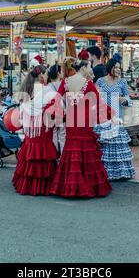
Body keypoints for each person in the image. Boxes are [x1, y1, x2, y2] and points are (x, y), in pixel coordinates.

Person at [47, 59, 112, 198]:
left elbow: (57, 101)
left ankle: (70, 187)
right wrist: (111, 115)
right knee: (86, 150)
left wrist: (59, 116)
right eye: (90, 67)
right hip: (85, 122)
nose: (91, 71)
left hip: (71, 122)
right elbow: (99, 103)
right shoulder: (88, 84)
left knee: (71, 149)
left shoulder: (65, 82)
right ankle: (86, 186)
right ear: (83, 68)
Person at [12, 65, 58, 196]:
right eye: (46, 73)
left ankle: (27, 185)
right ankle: (42, 186)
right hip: (43, 128)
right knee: (43, 154)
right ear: (41, 75)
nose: (47, 76)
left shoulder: (26, 90)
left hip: (30, 129)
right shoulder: (46, 91)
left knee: (31, 153)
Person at [94, 58, 135, 181]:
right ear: (109, 68)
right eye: (115, 67)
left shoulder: (122, 82)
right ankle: (104, 172)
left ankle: (119, 173)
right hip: (103, 118)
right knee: (105, 145)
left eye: (119, 67)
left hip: (117, 117)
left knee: (117, 145)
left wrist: (124, 100)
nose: (118, 70)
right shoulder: (100, 81)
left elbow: (129, 100)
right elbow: (94, 96)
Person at [43, 64, 66, 154]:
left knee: (53, 134)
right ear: (58, 73)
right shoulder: (63, 84)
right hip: (62, 112)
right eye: (61, 71)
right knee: (62, 135)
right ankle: (63, 157)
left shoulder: (47, 87)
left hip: (50, 112)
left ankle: (54, 155)